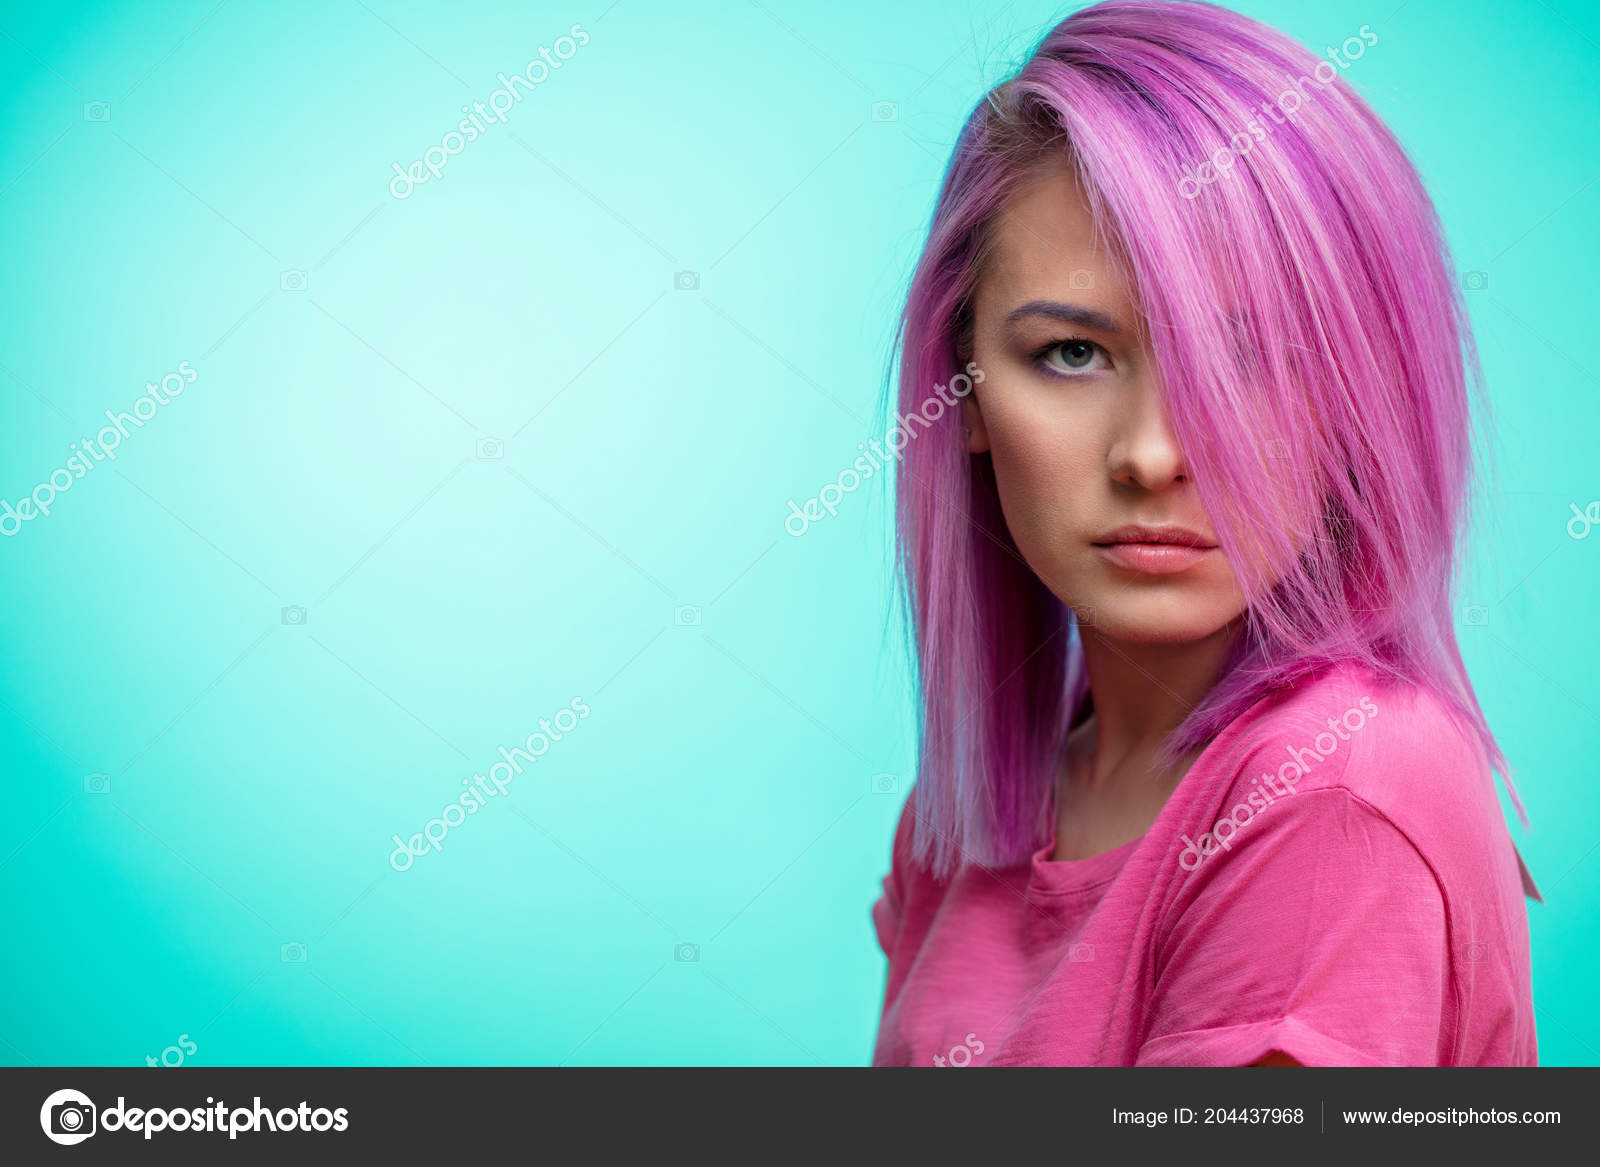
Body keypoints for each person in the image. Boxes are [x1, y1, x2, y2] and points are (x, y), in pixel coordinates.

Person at [872, 0, 1537, 1067]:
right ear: (965, 396)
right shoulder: (965, 811)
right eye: (1071, 354)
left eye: (1245, 360)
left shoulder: (1335, 790)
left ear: (1357, 393)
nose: (1152, 455)